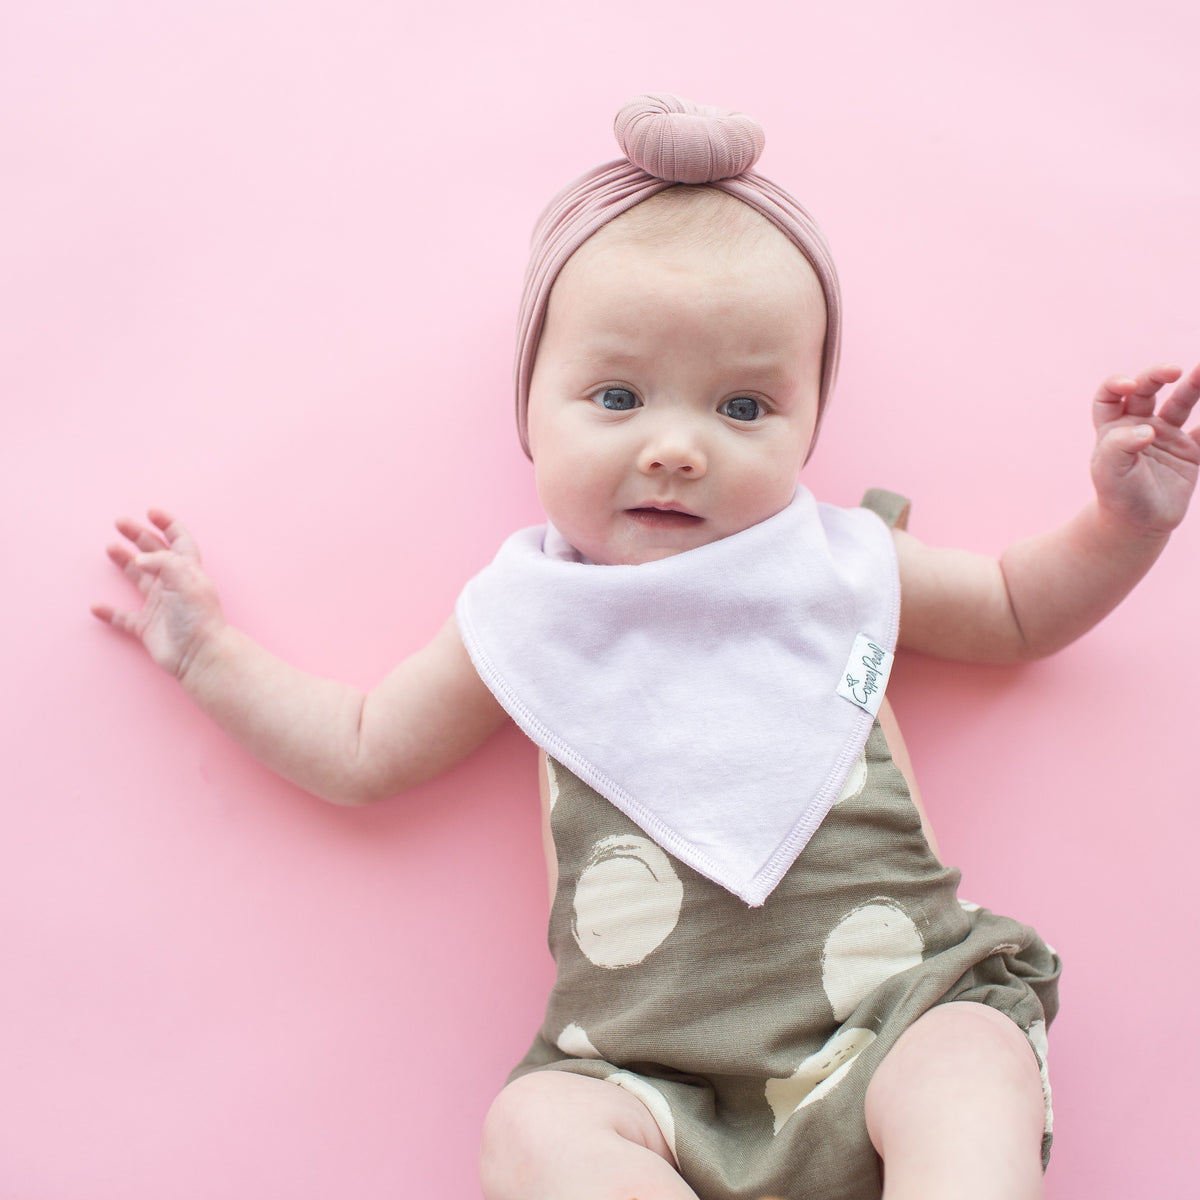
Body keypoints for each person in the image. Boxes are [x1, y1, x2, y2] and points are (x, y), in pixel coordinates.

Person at [93, 94, 1200, 1200]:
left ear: (813, 421)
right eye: (617, 396)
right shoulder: (527, 616)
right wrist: (205, 653)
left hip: (889, 1015)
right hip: (650, 1078)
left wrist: (1121, 523)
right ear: (529, 409)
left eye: (744, 406)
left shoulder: (836, 560)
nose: (675, 448)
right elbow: (360, 745)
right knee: (537, 1124)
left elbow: (1013, 608)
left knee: (973, 1062)